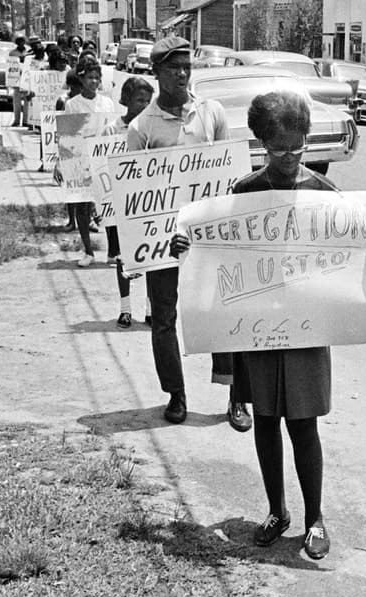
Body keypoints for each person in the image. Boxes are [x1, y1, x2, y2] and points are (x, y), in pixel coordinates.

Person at [195, 89, 366, 560]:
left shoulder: (326, 196)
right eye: (277, 149)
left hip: (305, 331)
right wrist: (190, 246)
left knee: (303, 425)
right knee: (265, 421)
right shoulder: (243, 193)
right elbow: (219, 260)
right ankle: (277, 510)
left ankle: (314, 516)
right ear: (260, 144)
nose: (287, 158)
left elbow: (351, 254)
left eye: (297, 148)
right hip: (256, 333)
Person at [126, 36, 252, 431]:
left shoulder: (211, 113)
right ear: (157, 72)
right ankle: (175, 394)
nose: (182, 74)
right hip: (163, 241)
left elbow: (226, 174)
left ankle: (236, 397)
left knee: (226, 309)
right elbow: (135, 195)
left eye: (186, 67)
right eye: (173, 68)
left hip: (209, 236)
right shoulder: (142, 127)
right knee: (163, 318)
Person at [102, 76, 154, 327]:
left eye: (147, 101)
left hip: (150, 200)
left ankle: (150, 308)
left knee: (153, 256)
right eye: (138, 100)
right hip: (121, 202)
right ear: (126, 100)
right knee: (123, 257)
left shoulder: (153, 127)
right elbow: (102, 167)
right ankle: (125, 309)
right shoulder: (112, 129)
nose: (143, 105)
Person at [60, 57, 118, 267]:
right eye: (90, 77)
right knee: (83, 206)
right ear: (81, 79)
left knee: (109, 204)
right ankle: (88, 251)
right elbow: (68, 136)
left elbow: (112, 132)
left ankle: (113, 251)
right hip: (80, 159)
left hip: (103, 159)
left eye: (97, 78)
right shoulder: (72, 105)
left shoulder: (107, 103)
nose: (94, 82)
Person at [11, 35, 30, 129]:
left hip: (27, 79)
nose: (21, 43)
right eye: (19, 41)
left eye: (22, 41)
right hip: (17, 80)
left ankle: (26, 121)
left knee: (27, 101)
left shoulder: (29, 52)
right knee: (16, 101)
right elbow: (10, 67)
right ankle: (16, 120)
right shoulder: (12, 53)